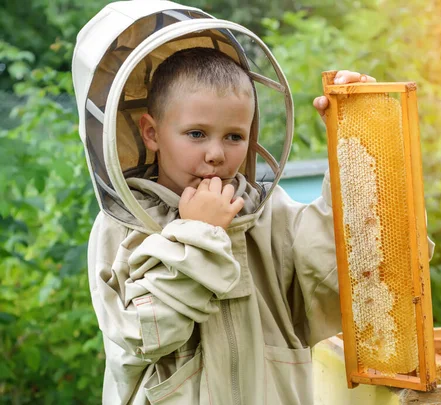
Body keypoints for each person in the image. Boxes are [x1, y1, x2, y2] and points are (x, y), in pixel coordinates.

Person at [74, 3, 377, 403]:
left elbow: (341, 274)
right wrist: (199, 234)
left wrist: (358, 141)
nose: (216, 154)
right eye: (197, 133)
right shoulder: (123, 225)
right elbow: (142, 334)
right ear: (151, 132)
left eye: (234, 136)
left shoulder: (267, 213)